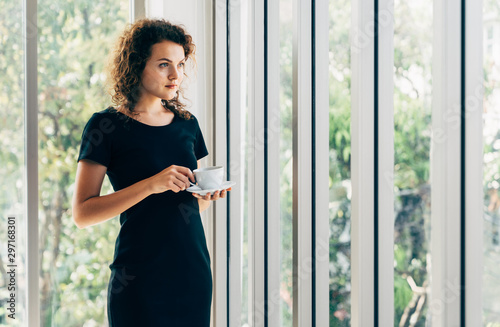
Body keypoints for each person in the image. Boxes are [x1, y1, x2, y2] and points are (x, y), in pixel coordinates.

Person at [71, 18, 229, 326]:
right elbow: (81, 213)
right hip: (138, 279)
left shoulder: (187, 124)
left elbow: (192, 204)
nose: (175, 75)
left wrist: (206, 195)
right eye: (163, 65)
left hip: (192, 273)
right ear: (136, 65)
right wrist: (150, 185)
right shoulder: (106, 127)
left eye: (181, 65)